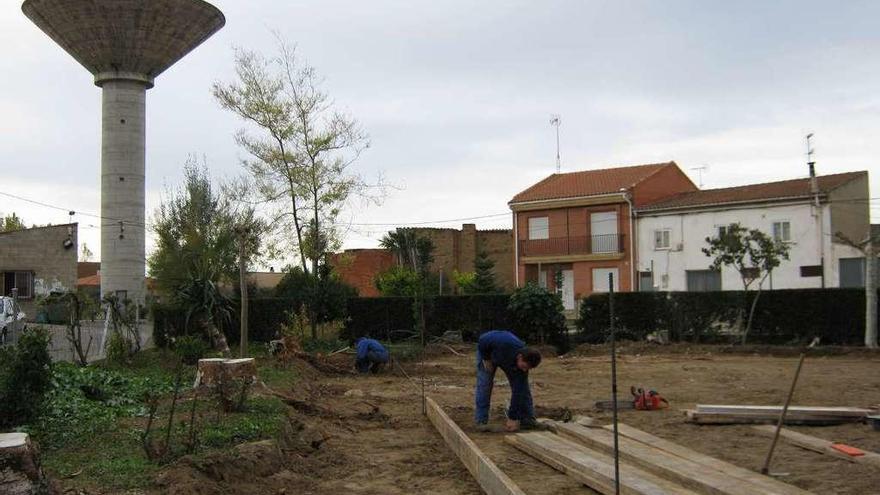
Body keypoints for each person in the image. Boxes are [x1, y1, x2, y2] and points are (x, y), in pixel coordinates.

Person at [474, 330, 542, 432]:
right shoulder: (505, 345)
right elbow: (483, 340)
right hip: (488, 351)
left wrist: (513, 417)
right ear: (520, 357)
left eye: (528, 368)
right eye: (524, 366)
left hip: (506, 358)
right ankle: (481, 421)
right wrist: (486, 358)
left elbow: (518, 392)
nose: (524, 370)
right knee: (484, 385)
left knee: (523, 388)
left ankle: (527, 419)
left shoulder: (523, 366)